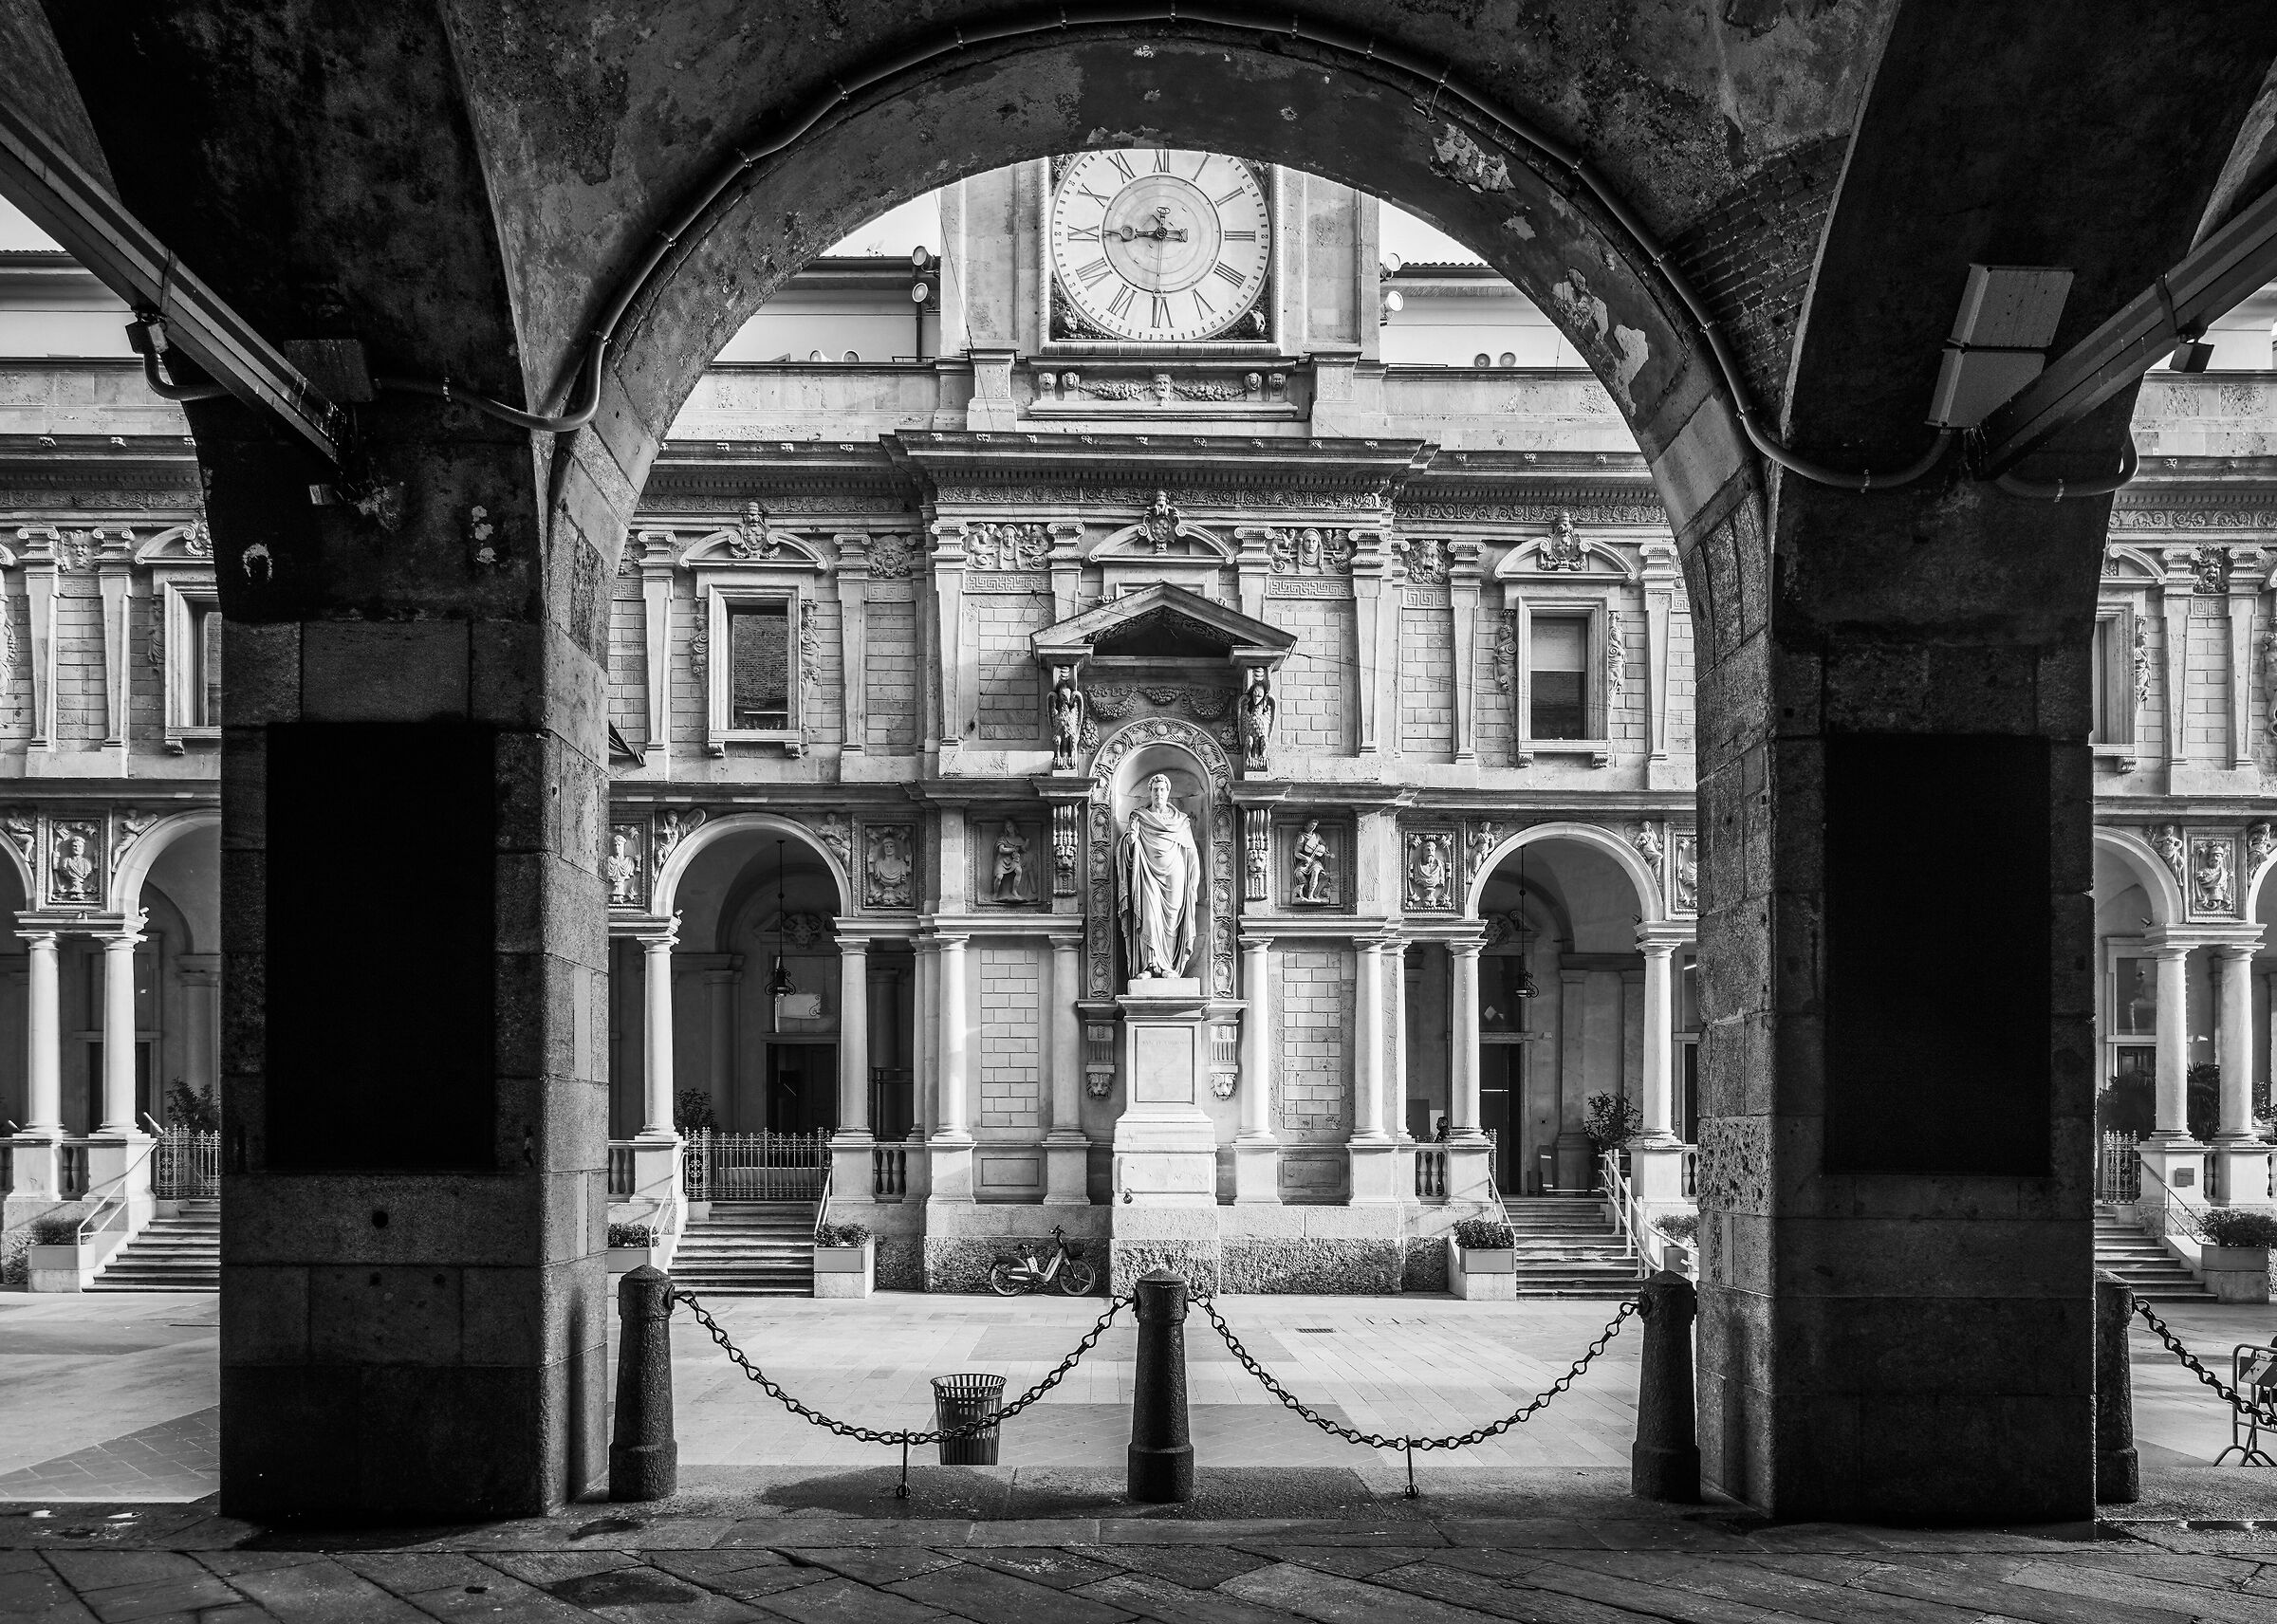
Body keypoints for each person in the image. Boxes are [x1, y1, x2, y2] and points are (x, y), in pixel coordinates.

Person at [1118, 773, 1200, 979]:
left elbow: (1191, 852)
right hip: (1147, 874)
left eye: (1162, 789)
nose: (1159, 793)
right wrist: (1132, 839)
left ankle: (1168, 966)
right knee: (1149, 918)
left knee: (1171, 921)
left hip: (1175, 875)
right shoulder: (1139, 818)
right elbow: (1126, 853)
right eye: (1155, 790)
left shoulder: (1180, 821)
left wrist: (1193, 881)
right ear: (1150, 792)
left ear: (1168, 792)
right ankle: (1148, 966)